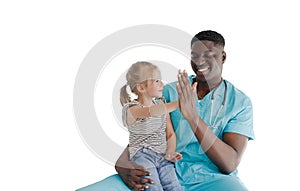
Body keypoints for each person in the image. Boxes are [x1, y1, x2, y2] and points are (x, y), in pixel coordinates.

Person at [76, 30, 254, 191]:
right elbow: (145, 134)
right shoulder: (168, 92)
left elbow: (229, 164)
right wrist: (122, 165)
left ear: (223, 57)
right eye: (195, 55)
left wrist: (192, 117)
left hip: (211, 180)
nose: (199, 61)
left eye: (208, 55)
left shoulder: (239, 103)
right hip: (159, 171)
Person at [119, 61, 182, 191]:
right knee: (154, 187)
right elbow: (150, 112)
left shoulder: (161, 104)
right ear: (141, 88)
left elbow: (170, 133)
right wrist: (180, 103)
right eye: (157, 81)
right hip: (142, 156)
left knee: (175, 187)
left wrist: (170, 152)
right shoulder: (132, 109)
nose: (162, 84)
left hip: (163, 156)